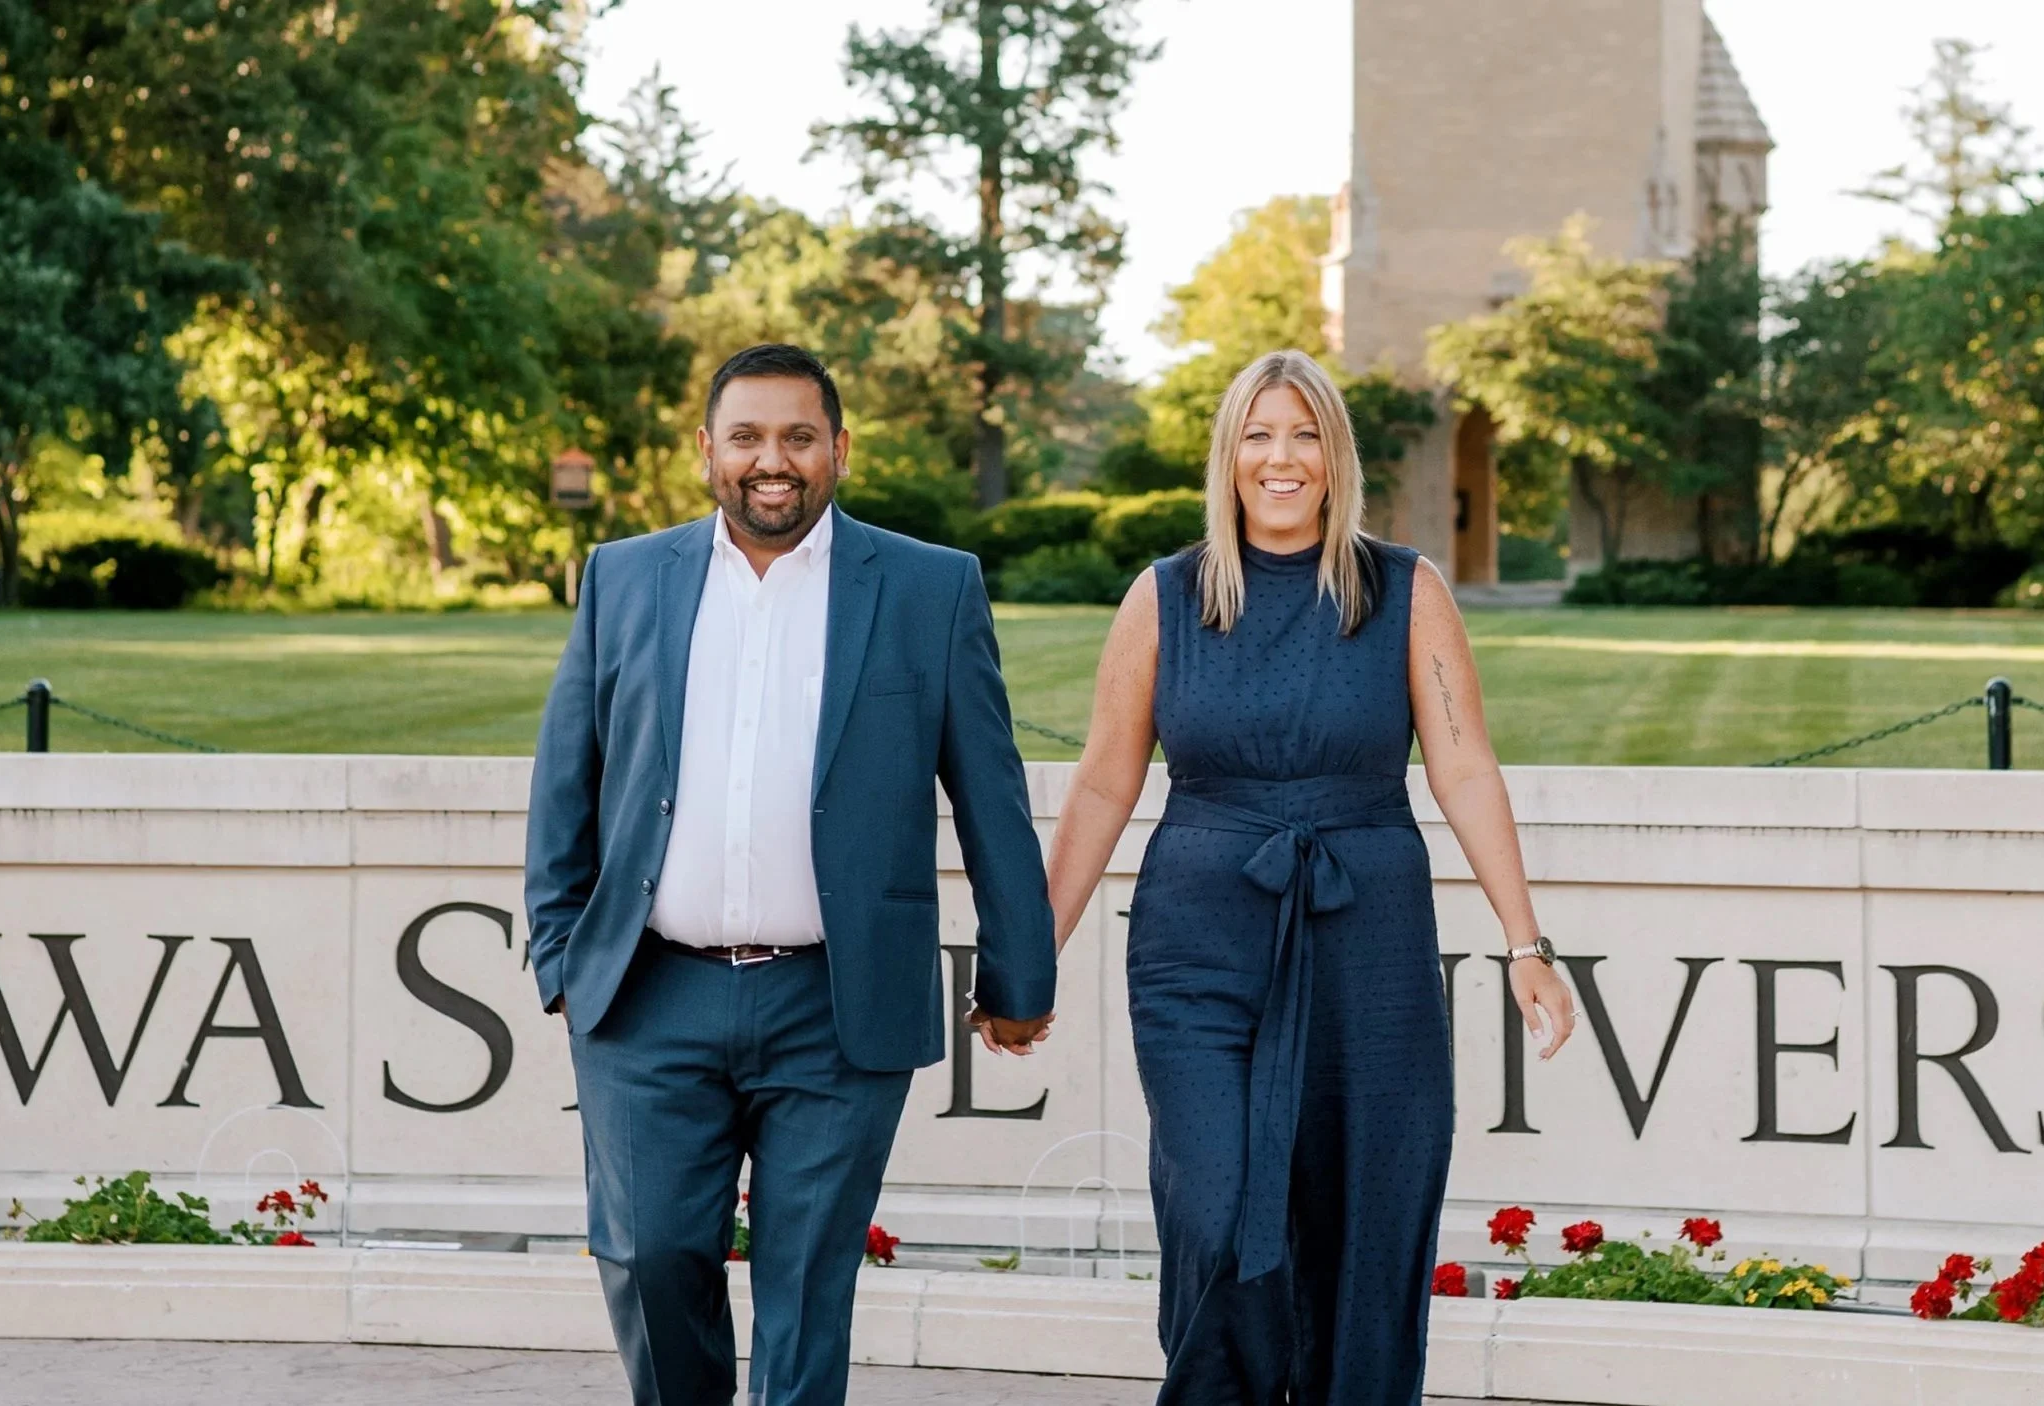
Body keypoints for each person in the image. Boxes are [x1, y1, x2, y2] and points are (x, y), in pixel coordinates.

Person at [524, 342, 1057, 1406]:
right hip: (647, 993)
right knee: (648, 1253)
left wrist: (1019, 973)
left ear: (840, 450)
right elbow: (564, 781)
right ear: (707, 451)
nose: (774, 460)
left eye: (799, 437)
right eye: (749, 437)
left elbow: (990, 798)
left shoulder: (928, 588)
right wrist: (559, 954)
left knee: (808, 1282)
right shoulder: (625, 576)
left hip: (837, 999)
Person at [1042, 349, 1579, 1403]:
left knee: (1365, 1204)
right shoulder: (1164, 598)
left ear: (1335, 459)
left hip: (1365, 936)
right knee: (1214, 1200)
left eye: (1302, 436)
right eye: (1256, 434)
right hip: (1200, 936)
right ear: (1225, 456)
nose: (1279, 458)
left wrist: (1526, 942)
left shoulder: (1404, 589)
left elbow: (1463, 763)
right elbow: (1104, 785)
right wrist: (1030, 957)